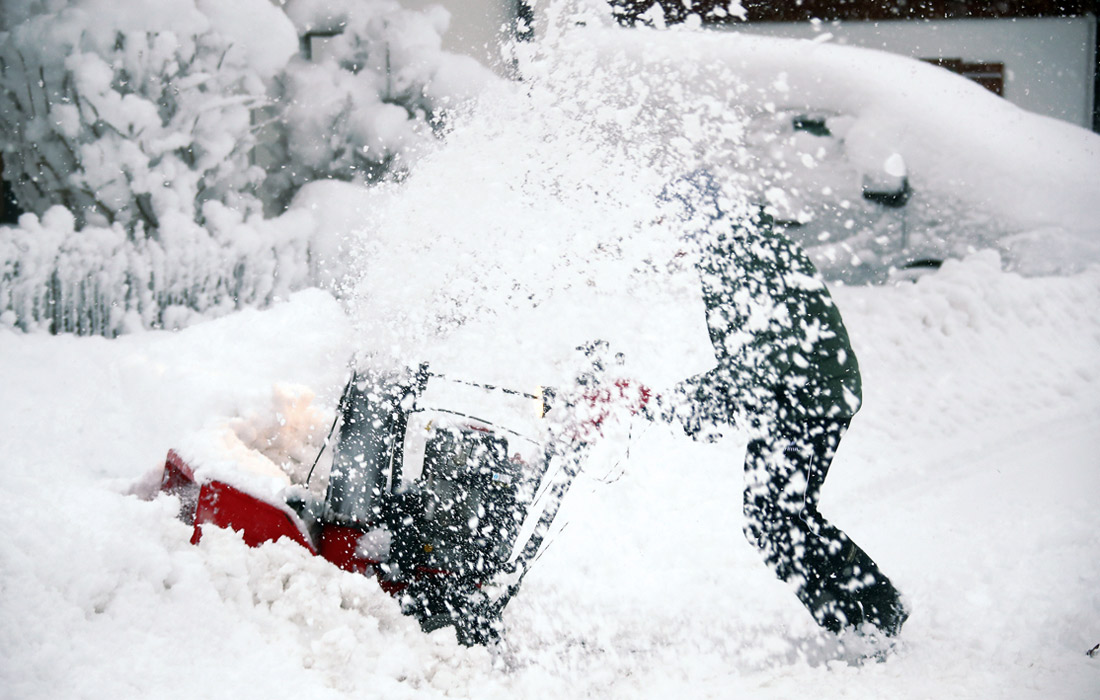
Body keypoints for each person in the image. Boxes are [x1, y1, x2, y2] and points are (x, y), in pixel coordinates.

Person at [659, 172, 909, 637]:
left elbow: (771, 348)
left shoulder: (738, 252)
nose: (667, 234)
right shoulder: (735, 245)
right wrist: (713, 401)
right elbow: (756, 353)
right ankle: (867, 611)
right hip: (804, 393)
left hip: (807, 396)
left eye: (671, 221)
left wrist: (706, 396)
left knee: (773, 519)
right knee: (782, 516)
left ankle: (865, 612)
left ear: (692, 218)